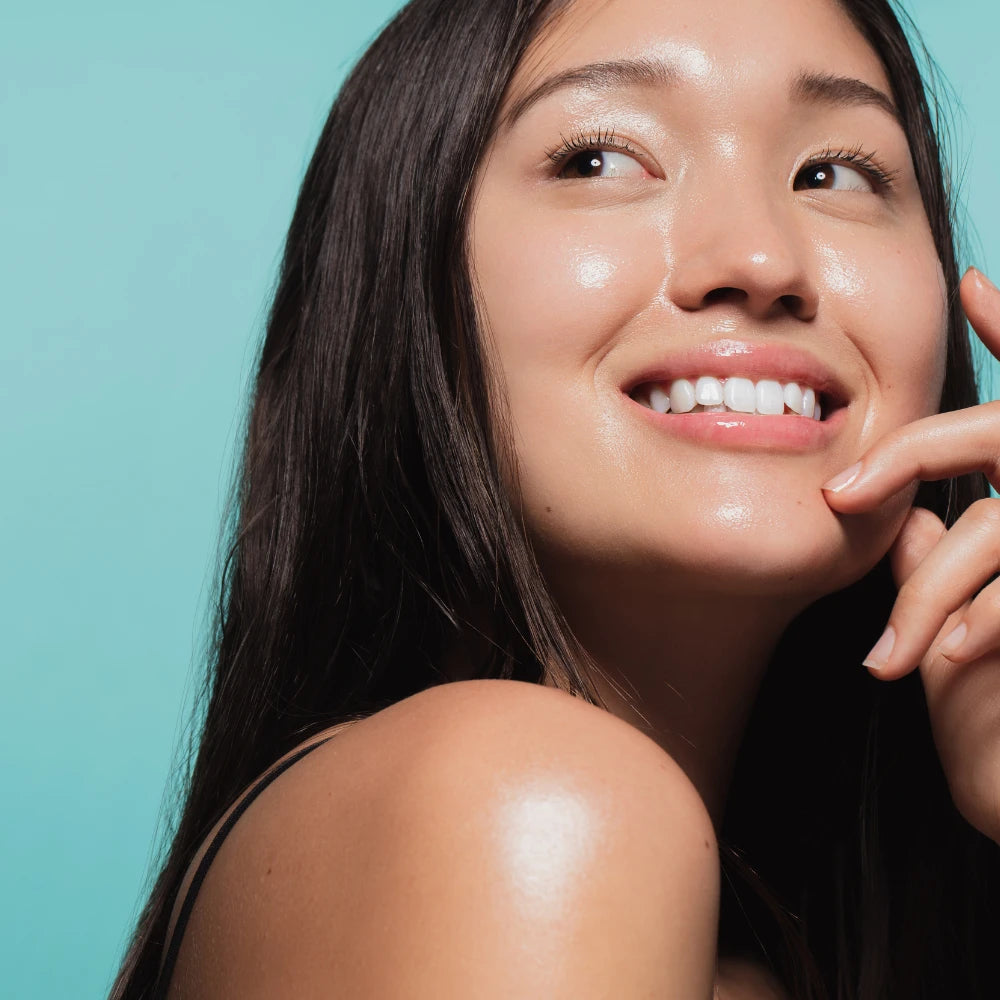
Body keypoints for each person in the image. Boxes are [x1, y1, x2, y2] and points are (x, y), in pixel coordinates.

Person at [110, 0, 1000, 996]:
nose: (760, 260)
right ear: (404, 274)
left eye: (833, 172)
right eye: (599, 158)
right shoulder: (520, 809)